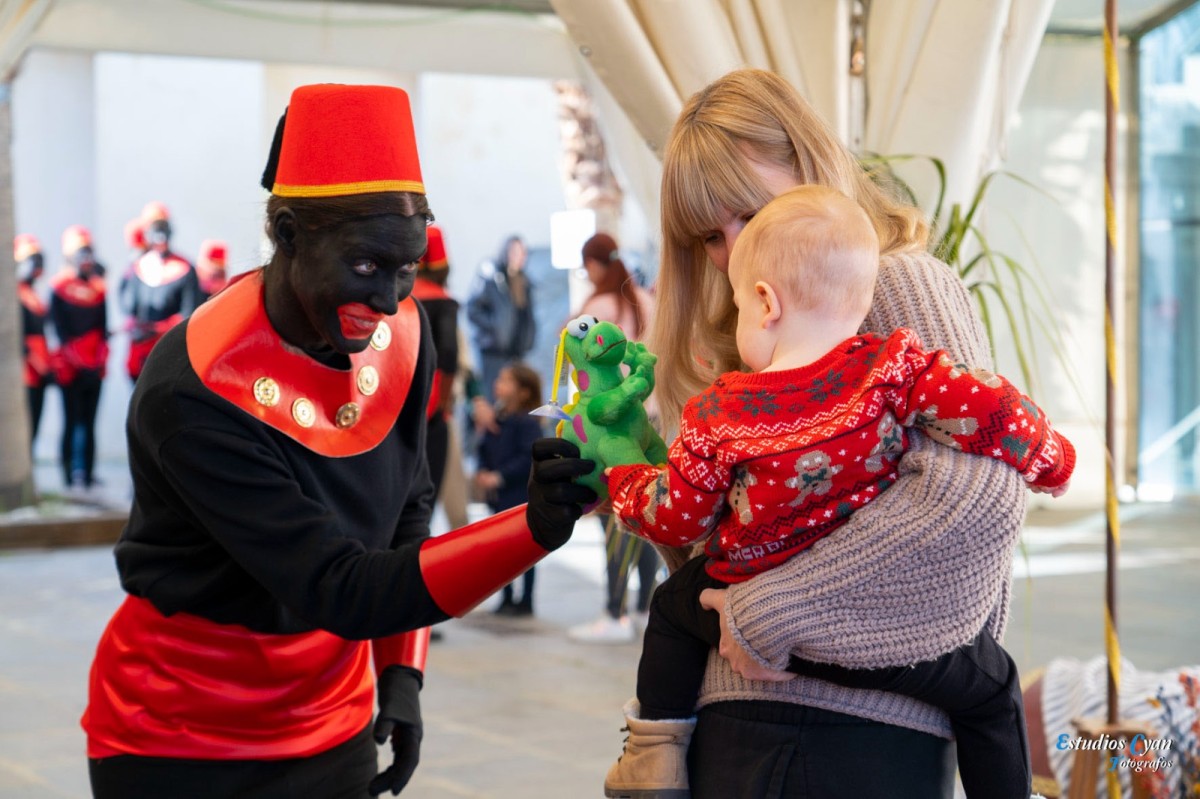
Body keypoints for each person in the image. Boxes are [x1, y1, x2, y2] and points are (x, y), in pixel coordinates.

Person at [81, 83, 595, 799]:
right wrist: (529, 529)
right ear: (289, 234)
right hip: (181, 735)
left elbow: (406, 510)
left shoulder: (404, 337)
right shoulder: (194, 389)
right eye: (365, 265)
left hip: (333, 723)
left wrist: (401, 674)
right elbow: (339, 586)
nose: (388, 301)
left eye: (407, 269)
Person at [631, 67, 1039, 799]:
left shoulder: (888, 281)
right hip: (775, 724)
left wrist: (773, 609)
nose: (732, 249)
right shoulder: (761, 331)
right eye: (708, 236)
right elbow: (720, 563)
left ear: (806, 160)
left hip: (830, 735)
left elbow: (974, 497)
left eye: (749, 213)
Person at [567, 232, 662, 644]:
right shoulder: (646, 299)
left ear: (595, 265)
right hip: (651, 417)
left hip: (611, 425)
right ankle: (643, 606)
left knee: (613, 514)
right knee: (645, 509)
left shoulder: (597, 310)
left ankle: (614, 611)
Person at [475, 362, 546, 617]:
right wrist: (483, 469)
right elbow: (485, 447)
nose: (498, 384)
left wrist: (500, 476)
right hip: (498, 497)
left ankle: (525, 600)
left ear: (524, 392)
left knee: (524, 550)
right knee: (500, 551)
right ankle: (505, 596)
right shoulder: (498, 419)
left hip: (518, 496)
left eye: (505, 380)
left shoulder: (527, 424)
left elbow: (528, 457)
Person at [48, 225, 108, 493]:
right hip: (70, 369)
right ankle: (68, 474)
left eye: (89, 252)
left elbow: (102, 330)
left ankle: (89, 471)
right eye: (81, 252)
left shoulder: (98, 289)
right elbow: (60, 333)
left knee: (90, 421)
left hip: (94, 368)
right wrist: (78, 363)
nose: (86, 258)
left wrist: (96, 363)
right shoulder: (58, 287)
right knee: (71, 420)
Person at [119, 200, 201, 382]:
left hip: (168, 349)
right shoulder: (137, 268)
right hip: (141, 352)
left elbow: (190, 313)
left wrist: (159, 329)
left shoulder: (185, 268)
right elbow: (127, 306)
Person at [410, 224, 459, 500]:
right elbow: (449, 356)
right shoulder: (443, 303)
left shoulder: (398, 296)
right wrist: (444, 403)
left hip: (395, 398)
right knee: (428, 484)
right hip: (431, 404)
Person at [466, 234, 536, 400]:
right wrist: (493, 328)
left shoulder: (523, 281)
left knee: (514, 399)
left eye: (522, 252)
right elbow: (473, 309)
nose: (519, 256)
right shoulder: (492, 278)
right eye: (515, 251)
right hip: (493, 353)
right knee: (492, 396)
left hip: (516, 352)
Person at [15, 234, 53, 448]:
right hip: (27, 373)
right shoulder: (15, 295)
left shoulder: (33, 294)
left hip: (40, 372)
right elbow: (21, 342)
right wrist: (40, 367)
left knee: (35, 425)